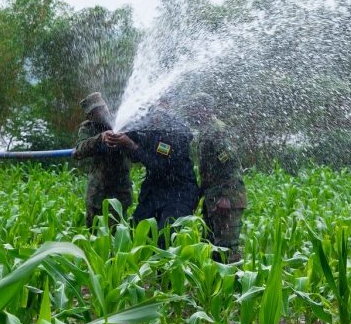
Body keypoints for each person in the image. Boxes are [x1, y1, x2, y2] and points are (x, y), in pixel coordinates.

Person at [104, 98, 199, 247]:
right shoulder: (145, 124)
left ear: (171, 105)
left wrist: (129, 145)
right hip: (154, 190)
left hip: (179, 192)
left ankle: (165, 269)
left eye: (164, 102)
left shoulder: (176, 130)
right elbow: (128, 139)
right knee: (136, 232)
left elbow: (159, 165)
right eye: (157, 103)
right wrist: (112, 137)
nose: (159, 107)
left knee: (165, 238)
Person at [184, 93, 248, 263]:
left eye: (192, 110)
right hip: (213, 198)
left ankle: (237, 287)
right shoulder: (207, 131)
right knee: (212, 245)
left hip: (226, 198)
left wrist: (225, 196)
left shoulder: (218, 131)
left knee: (227, 248)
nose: (189, 114)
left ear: (203, 110)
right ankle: (218, 286)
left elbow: (231, 164)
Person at [72, 92, 133, 228]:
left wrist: (124, 141)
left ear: (106, 107)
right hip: (96, 191)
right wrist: (100, 138)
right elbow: (80, 148)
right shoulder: (87, 128)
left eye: (102, 108)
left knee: (116, 233)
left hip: (119, 191)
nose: (101, 113)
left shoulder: (120, 122)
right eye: (96, 111)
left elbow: (135, 149)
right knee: (93, 230)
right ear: (89, 115)